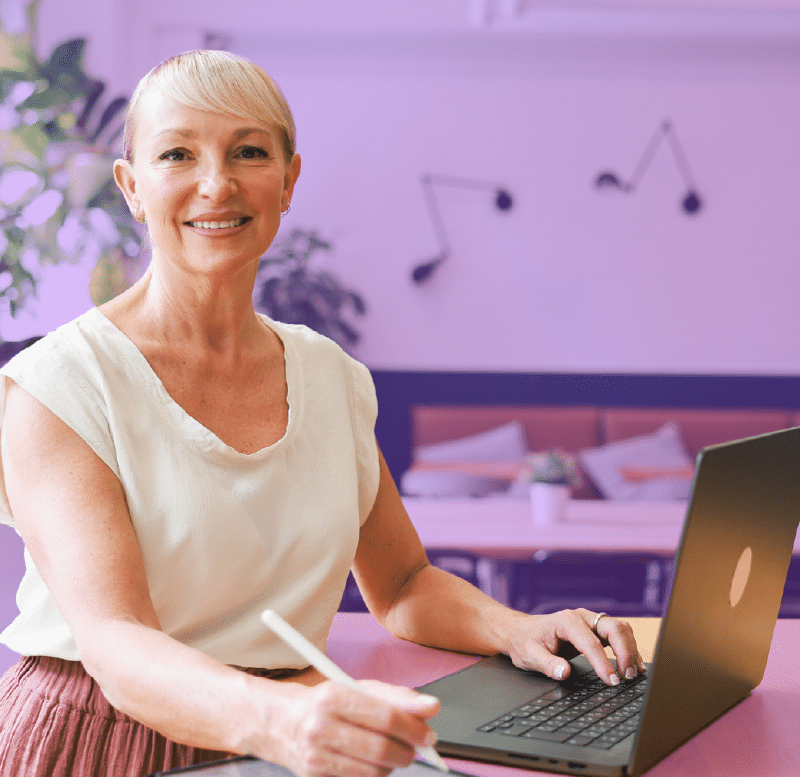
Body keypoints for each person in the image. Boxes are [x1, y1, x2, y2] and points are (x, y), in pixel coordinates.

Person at [0, 50, 644, 777]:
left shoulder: (329, 376)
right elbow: (114, 641)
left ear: (288, 181)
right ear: (132, 187)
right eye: (177, 154)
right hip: (105, 737)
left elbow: (402, 587)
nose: (217, 183)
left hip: (288, 733)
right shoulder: (57, 384)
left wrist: (519, 628)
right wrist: (276, 719)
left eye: (248, 151)